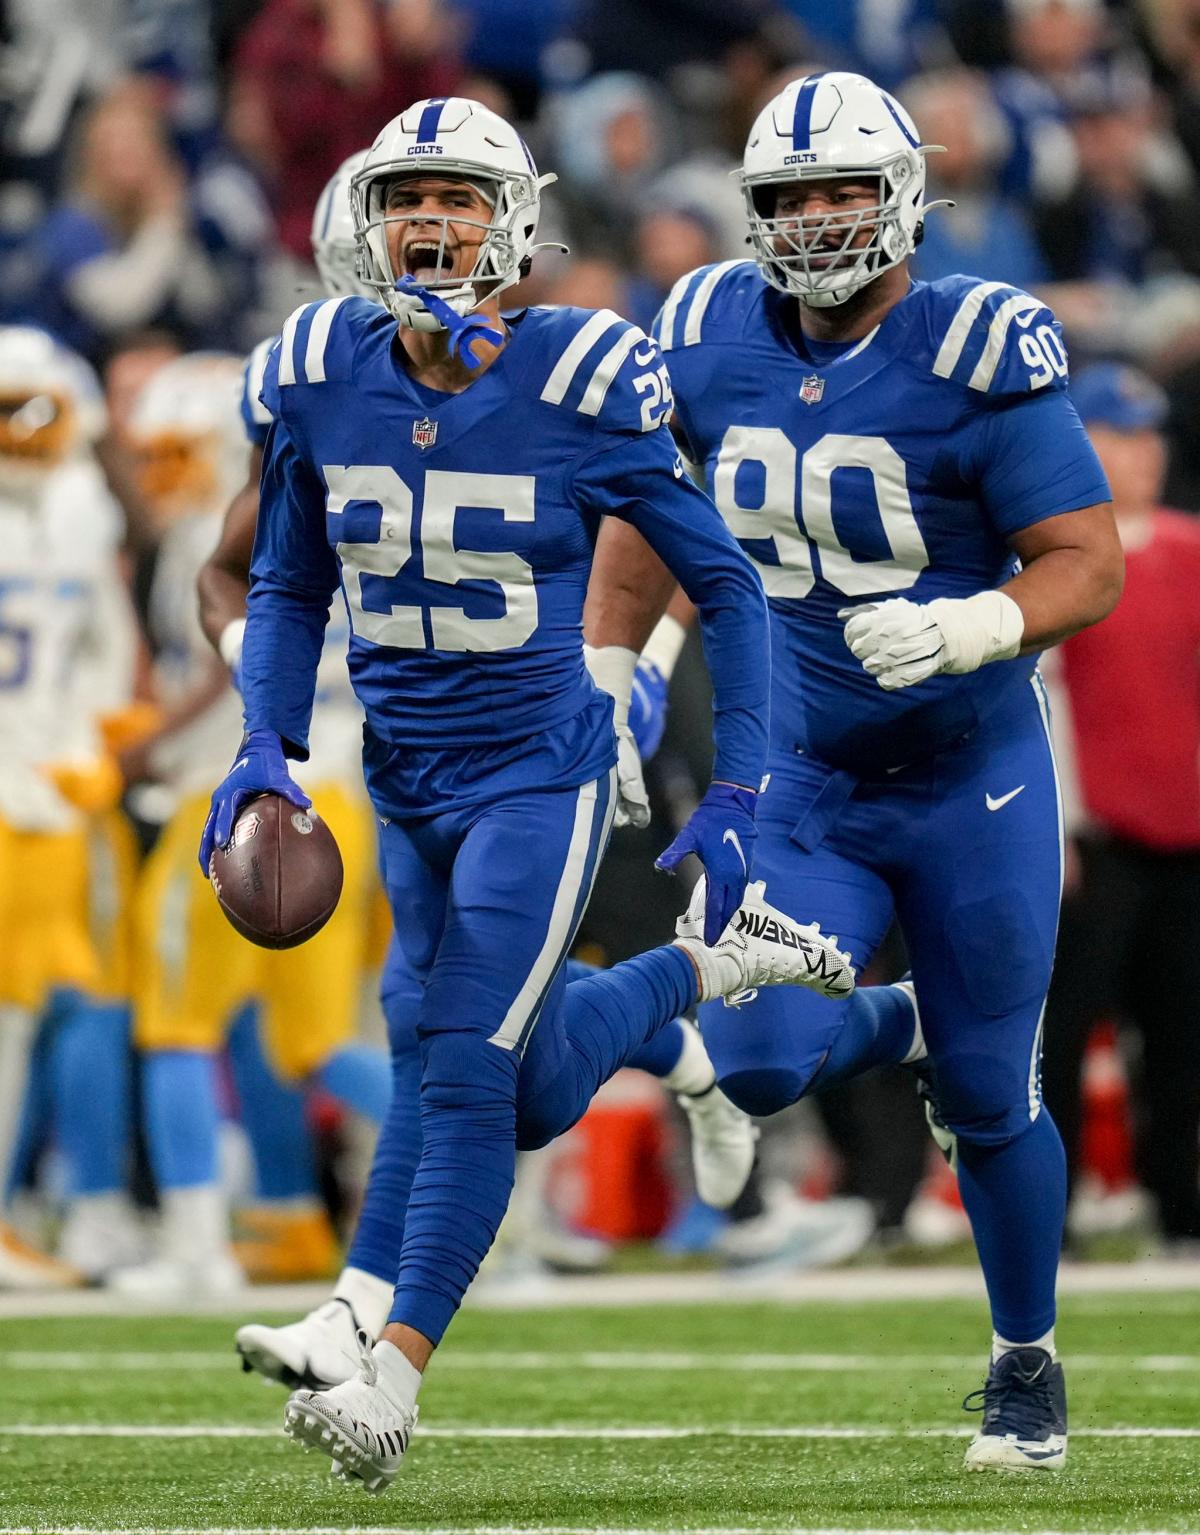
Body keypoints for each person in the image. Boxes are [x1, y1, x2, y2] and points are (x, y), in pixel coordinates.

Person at [198, 96, 854, 1493]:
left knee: (468, 1061)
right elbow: (285, 578)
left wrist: (736, 783)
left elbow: (728, 577)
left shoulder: (579, 374)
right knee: (508, 1070)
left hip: (536, 774)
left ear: (515, 226)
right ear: (369, 221)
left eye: (455, 198)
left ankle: (390, 1370)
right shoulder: (319, 366)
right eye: (405, 199)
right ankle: (694, 991)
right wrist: (258, 738)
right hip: (406, 771)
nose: (427, 223)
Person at [649, 71, 1121, 1470]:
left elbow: (1085, 558)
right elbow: (646, 510)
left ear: (902, 192)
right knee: (756, 1060)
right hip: (802, 771)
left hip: (972, 770)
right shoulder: (702, 333)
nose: (814, 217)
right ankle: (915, 1020)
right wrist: (619, 669)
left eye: (842, 187)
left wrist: (981, 619)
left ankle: (1023, 1361)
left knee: (992, 1095)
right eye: (790, 195)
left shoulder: (979, 342)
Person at [1039, 363, 1200, 1251]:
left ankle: (1180, 1206)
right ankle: (1047, 1217)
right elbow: (1047, 691)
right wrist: (1055, 823)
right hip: (1097, 836)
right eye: (1118, 437)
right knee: (1063, 1034)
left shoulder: (1189, 549)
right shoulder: (1059, 557)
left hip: (1186, 828)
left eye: (1149, 437)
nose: (1140, 456)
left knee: (1181, 1037)